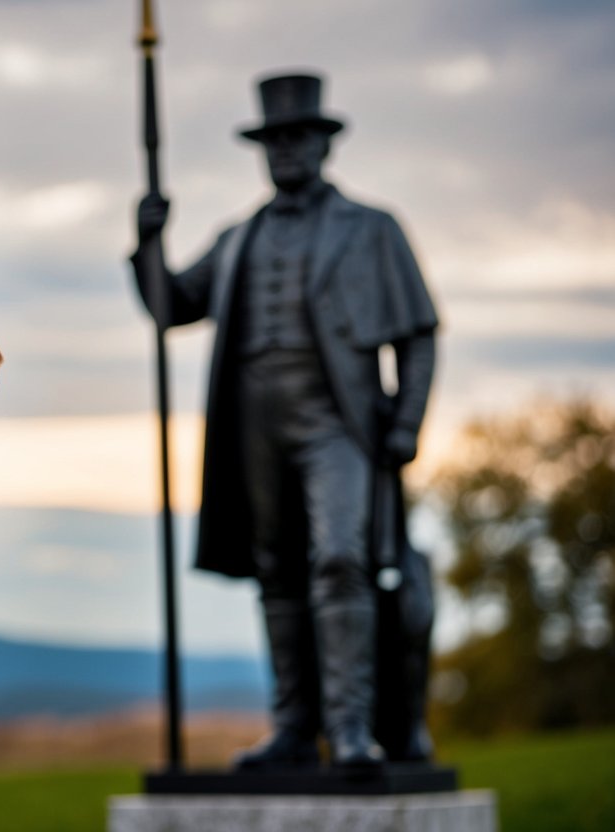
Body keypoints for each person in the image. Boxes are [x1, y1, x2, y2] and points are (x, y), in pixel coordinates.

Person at [132, 72, 437, 769]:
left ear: (323, 145)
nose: (287, 152)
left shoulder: (371, 229)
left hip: (340, 421)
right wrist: (148, 243)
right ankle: (295, 727)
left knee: (339, 560)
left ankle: (353, 729)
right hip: (253, 422)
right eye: (275, 141)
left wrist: (407, 421)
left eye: (298, 138)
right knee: (277, 570)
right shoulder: (239, 237)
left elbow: (418, 333)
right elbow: (172, 304)